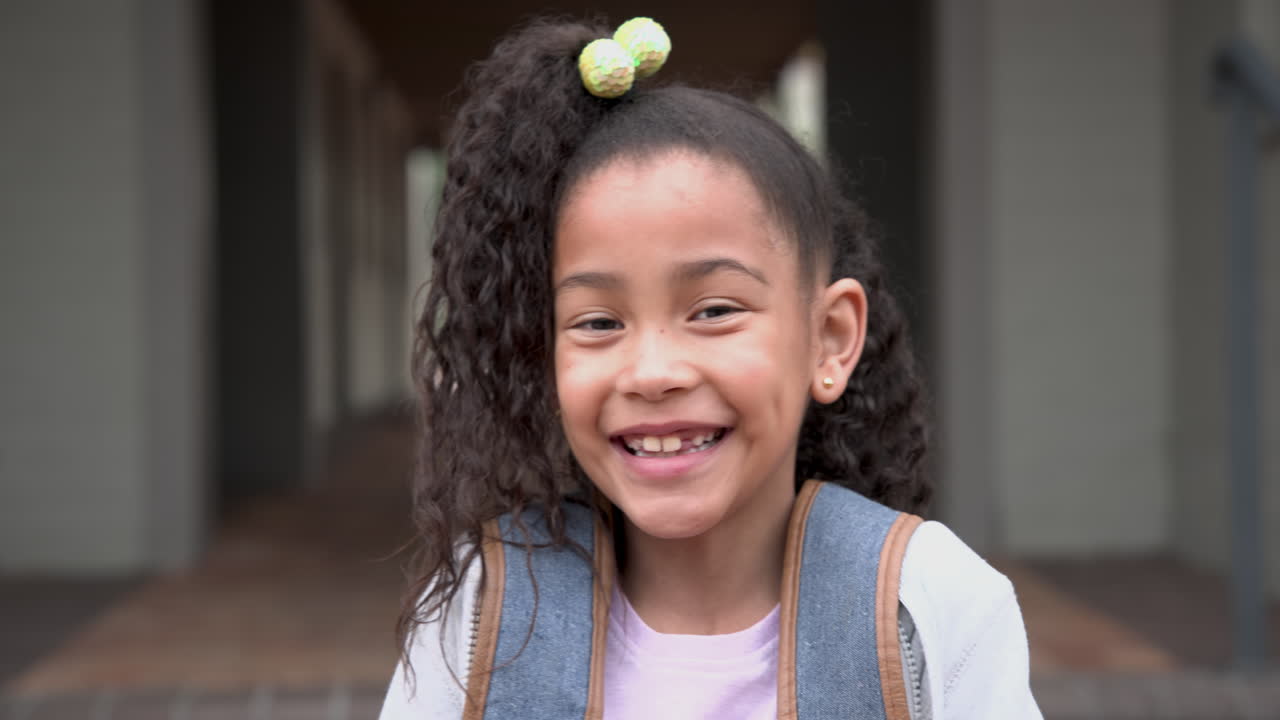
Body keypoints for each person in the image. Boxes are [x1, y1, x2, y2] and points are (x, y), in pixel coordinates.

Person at [379, 16, 1042, 720]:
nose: (653, 371)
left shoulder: (933, 603)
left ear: (830, 339)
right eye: (598, 322)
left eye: (714, 310)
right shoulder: (485, 611)